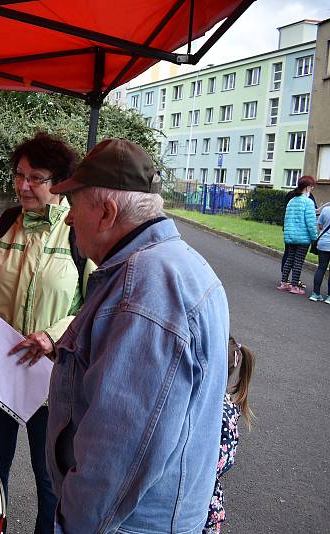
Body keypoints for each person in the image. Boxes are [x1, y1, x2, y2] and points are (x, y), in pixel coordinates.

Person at [46, 139, 229, 533]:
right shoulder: (177, 263)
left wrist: (72, 524)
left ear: (107, 213)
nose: (67, 220)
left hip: (124, 524)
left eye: (73, 207)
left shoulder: (145, 291)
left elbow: (117, 454)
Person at [0, 132, 91, 534]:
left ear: (61, 182)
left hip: (55, 383)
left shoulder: (79, 233)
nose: (23, 185)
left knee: (53, 482)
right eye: (19, 175)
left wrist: (54, 335)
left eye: (37, 177)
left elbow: (97, 306)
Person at [204, 336, 256, 534]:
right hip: (208, 503)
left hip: (199, 505)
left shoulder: (215, 411)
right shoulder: (228, 404)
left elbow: (218, 462)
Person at [279, 176, 318, 295]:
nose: (311, 190)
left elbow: (287, 219)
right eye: (311, 188)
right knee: (298, 261)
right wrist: (314, 237)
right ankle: (295, 286)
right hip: (303, 237)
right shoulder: (308, 202)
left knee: (289, 259)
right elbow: (311, 222)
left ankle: (284, 282)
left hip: (290, 236)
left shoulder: (292, 201)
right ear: (307, 188)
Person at [309, 202, 330, 303]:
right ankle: (329, 297)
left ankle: (315, 293)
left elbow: (320, 226)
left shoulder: (326, 210)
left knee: (321, 268)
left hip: (323, 243)